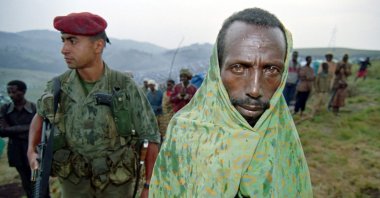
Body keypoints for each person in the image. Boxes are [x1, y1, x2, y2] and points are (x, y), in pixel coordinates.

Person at [150, 8, 312, 197]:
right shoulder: (186, 134)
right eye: (238, 67)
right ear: (216, 70)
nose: (254, 89)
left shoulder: (284, 137)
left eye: (271, 69)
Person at [27, 12, 160, 198]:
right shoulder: (58, 86)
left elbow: (151, 136)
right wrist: (31, 149)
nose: (64, 49)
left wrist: (148, 185)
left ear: (98, 45)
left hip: (116, 181)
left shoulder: (124, 86)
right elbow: (40, 116)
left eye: (72, 41)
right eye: (63, 40)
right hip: (74, 181)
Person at [0, 80, 36, 198]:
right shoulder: (4, 109)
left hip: (34, 150)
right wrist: (29, 128)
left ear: (23, 91)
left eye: (14, 92)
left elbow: (41, 131)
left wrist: (12, 130)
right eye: (9, 92)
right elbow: (2, 131)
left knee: (39, 182)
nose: (11, 95)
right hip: (16, 151)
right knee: (26, 182)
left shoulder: (34, 108)